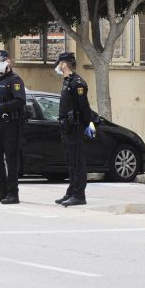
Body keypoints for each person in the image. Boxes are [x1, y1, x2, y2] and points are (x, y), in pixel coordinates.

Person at [54, 52, 96, 207]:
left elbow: (84, 107)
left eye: (59, 63)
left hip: (75, 127)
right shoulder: (67, 81)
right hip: (66, 127)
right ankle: (72, 191)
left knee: (78, 162)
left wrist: (89, 124)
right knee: (71, 161)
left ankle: (79, 195)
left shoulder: (77, 83)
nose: (57, 66)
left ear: (64, 64)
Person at [0, 50, 26, 205]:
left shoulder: (15, 80)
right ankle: (2, 190)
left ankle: (13, 193)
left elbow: (20, 101)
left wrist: (1, 107)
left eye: (1, 60)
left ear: (8, 61)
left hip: (10, 124)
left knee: (11, 159)